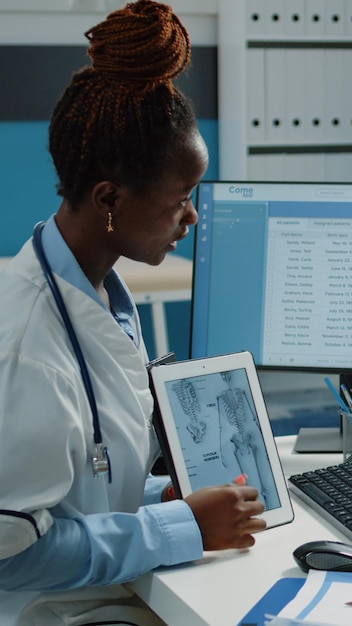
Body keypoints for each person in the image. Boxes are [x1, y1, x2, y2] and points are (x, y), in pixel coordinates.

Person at [0, 1, 266, 625]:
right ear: (110, 199)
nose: (192, 218)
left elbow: (83, 486)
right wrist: (176, 527)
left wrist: (160, 497)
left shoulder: (100, 295)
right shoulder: (28, 348)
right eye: (180, 201)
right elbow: (11, 554)